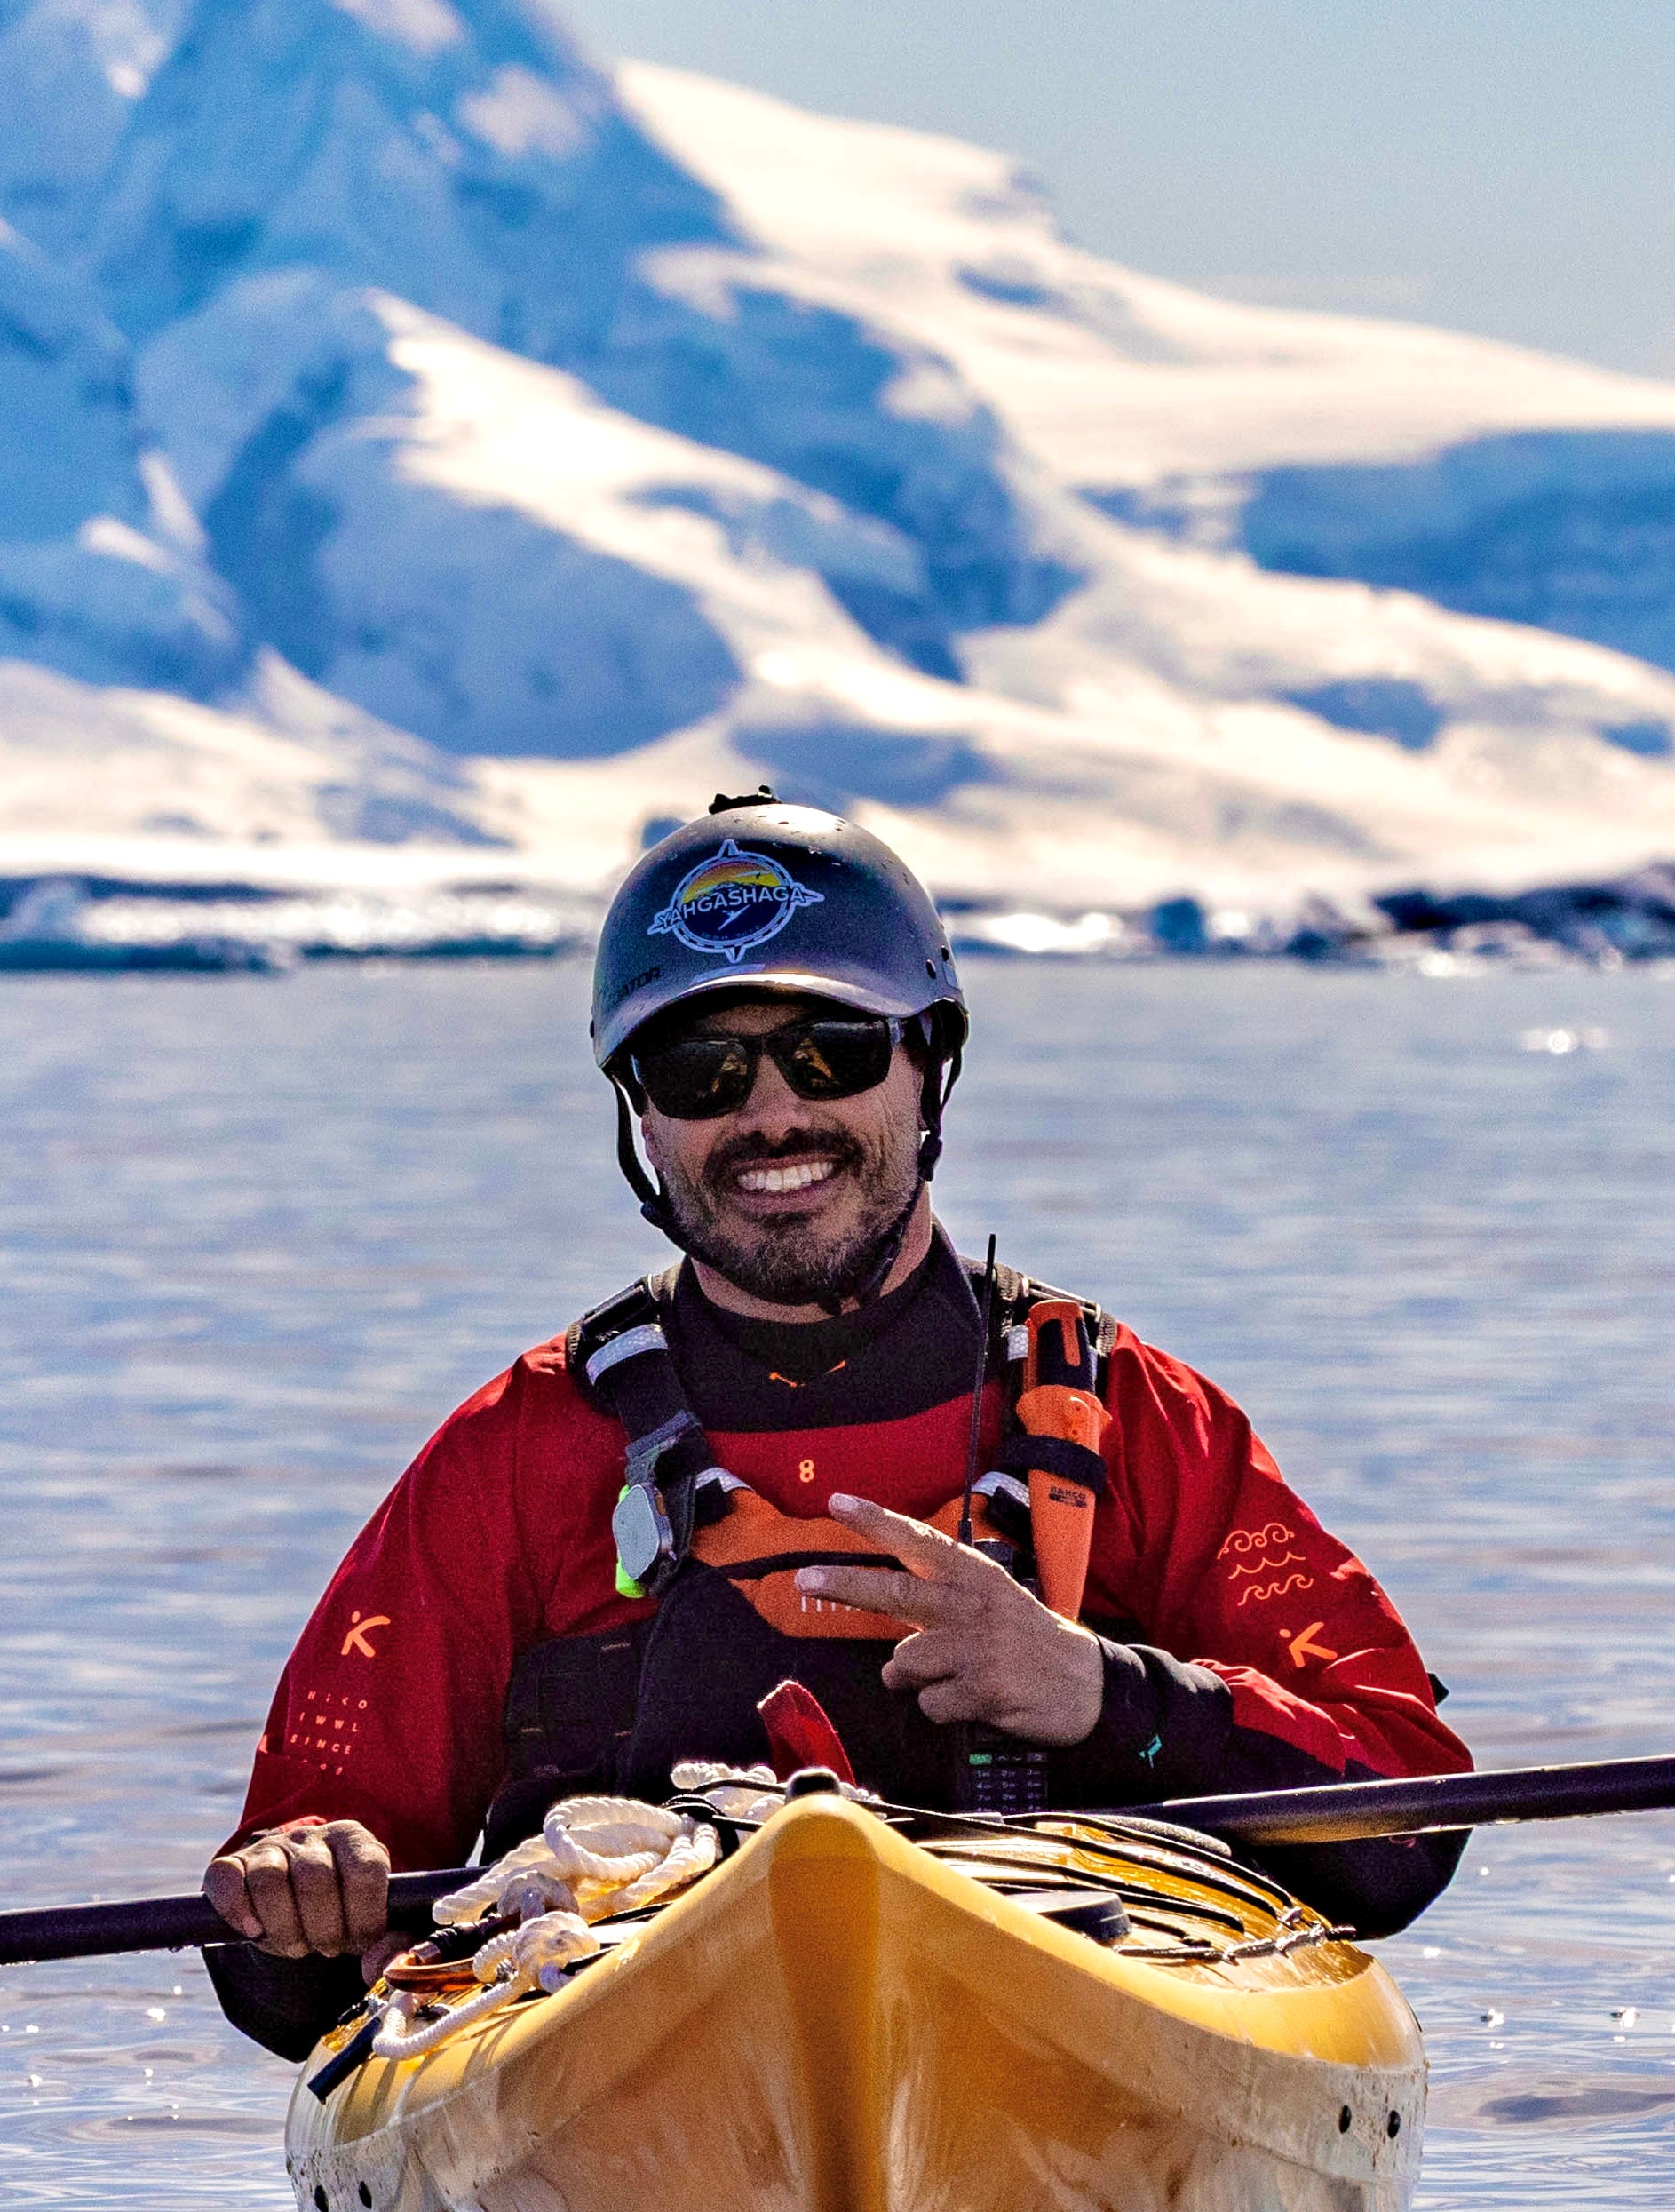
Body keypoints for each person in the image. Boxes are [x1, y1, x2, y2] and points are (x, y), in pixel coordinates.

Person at [202, 794, 1470, 2055]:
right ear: (640, 1116)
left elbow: (1408, 1824)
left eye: (832, 1050)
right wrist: (299, 1891)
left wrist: (1096, 1692)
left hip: (1075, 2052)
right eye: (701, 1070)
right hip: (634, 2079)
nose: (769, 1115)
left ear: (929, 1064)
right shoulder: (514, 1454)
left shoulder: (1135, 1420)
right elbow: (281, 1959)